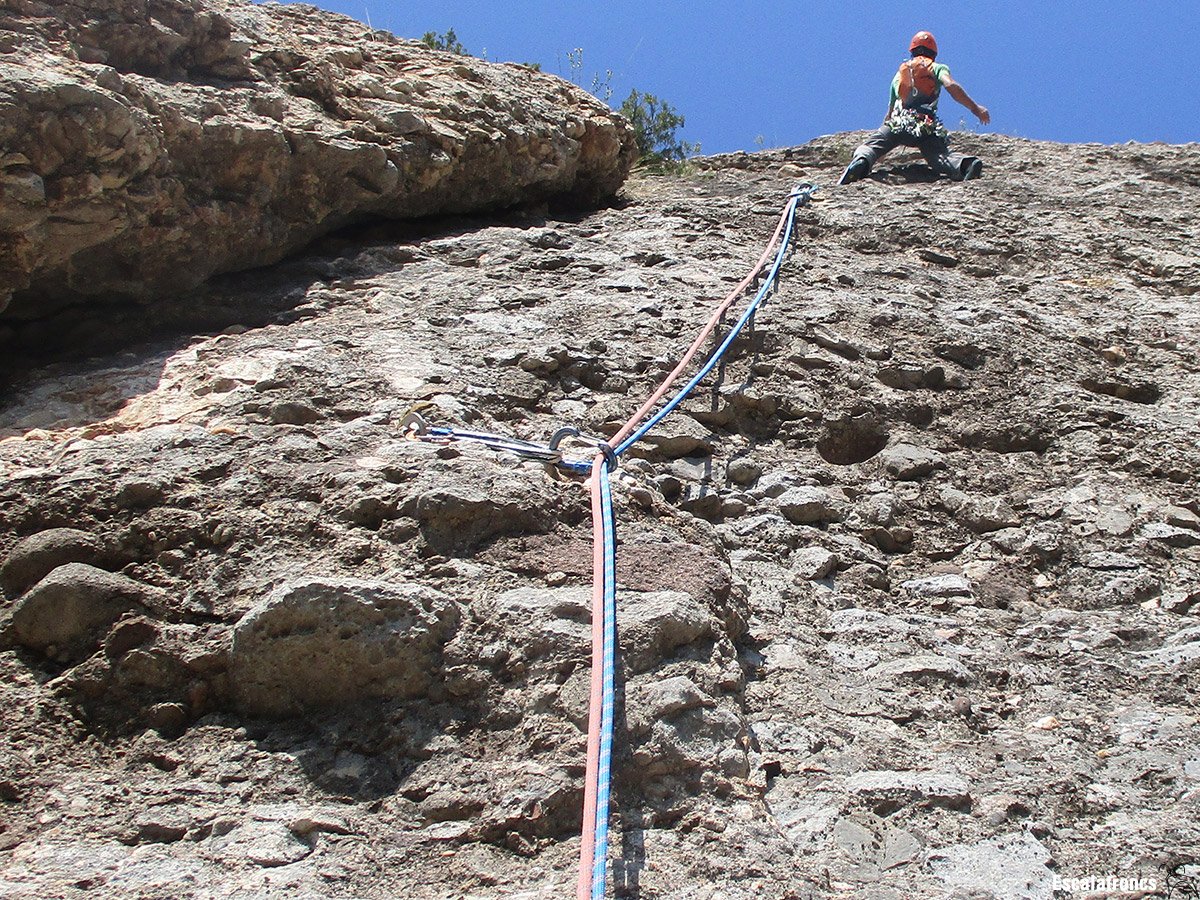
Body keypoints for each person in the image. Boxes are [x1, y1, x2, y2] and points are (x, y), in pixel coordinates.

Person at [840, 31, 991, 185]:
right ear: (933, 54)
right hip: (926, 126)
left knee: (869, 147)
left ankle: (862, 161)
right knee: (940, 157)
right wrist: (975, 108)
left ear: (912, 51)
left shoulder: (899, 75)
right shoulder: (936, 67)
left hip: (899, 123)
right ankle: (965, 165)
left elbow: (890, 114)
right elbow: (950, 85)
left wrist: (880, 150)